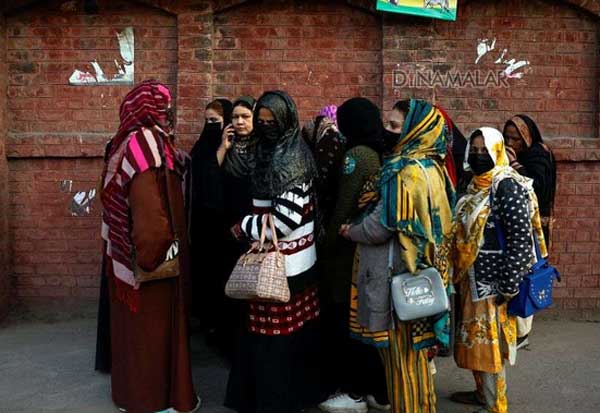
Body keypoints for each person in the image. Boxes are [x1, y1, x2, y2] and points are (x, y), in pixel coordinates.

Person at [341, 99, 455, 413]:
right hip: (426, 278)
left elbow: (380, 227)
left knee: (400, 363)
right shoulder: (434, 168)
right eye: (386, 124)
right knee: (416, 359)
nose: (386, 131)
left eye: (394, 126)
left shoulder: (402, 172)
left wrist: (351, 230)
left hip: (399, 281)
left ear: (414, 131)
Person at [100, 80, 199, 413]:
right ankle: (153, 401)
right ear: (146, 109)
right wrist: (156, 255)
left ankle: (136, 396)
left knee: (137, 335)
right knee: (151, 335)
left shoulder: (133, 141)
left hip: (136, 256)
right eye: (161, 106)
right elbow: (148, 213)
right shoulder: (144, 142)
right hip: (150, 263)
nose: (167, 112)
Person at [224, 91, 323, 413]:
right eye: (262, 121)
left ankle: (276, 402)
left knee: (274, 340)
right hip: (291, 263)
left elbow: (285, 221)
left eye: (272, 122)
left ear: (286, 121)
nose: (266, 127)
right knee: (281, 336)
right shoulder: (270, 151)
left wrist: (244, 226)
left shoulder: (290, 158)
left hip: (284, 266)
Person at [452, 127, 547, 413]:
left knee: (491, 348)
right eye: (474, 150)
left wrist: (508, 285)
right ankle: (482, 393)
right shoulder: (473, 184)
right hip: (470, 278)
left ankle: (495, 405)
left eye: (485, 150)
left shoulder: (506, 185)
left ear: (498, 151)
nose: (479, 155)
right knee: (474, 343)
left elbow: (520, 239)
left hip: (494, 285)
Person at [317, 98, 389, 413]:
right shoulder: (379, 151)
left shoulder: (357, 155)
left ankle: (355, 391)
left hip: (349, 252)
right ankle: (377, 391)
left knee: (348, 322)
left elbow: (343, 206)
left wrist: (327, 244)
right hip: (370, 249)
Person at [187, 96, 257, 356]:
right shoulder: (226, 147)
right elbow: (208, 182)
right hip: (227, 229)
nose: (239, 122)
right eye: (235, 118)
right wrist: (223, 148)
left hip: (254, 227)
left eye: (245, 117)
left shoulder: (261, 148)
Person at [503, 115, 556, 348]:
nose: (510, 143)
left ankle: (522, 333)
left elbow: (538, 187)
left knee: (528, 273)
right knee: (518, 272)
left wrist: (514, 165)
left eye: (515, 139)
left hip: (535, 226)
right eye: (507, 137)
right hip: (519, 223)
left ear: (527, 137)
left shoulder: (537, 155)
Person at [188, 98, 233, 340]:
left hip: (223, 225)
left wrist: (224, 148)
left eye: (215, 120)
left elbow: (217, 180)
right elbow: (201, 176)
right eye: (206, 121)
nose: (210, 126)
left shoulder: (234, 147)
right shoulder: (202, 145)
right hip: (202, 223)